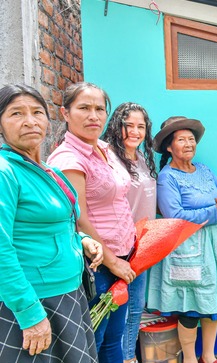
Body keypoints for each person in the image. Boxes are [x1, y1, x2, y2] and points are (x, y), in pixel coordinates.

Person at [0, 84, 103, 362]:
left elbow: (59, 224)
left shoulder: (49, 170)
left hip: (67, 291)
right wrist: (30, 314)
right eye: (16, 113)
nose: (29, 121)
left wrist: (82, 241)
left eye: (37, 112)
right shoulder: (5, 172)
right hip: (34, 299)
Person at [47, 82, 138, 363]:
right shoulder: (68, 158)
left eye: (99, 109)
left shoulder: (104, 148)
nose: (93, 116)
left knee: (114, 339)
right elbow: (78, 218)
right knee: (94, 342)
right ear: (65, 112)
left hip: (124, 256)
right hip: (98, 264)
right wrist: (113, 262)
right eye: (84, 108)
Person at [148, 116, 217, 363]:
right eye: (182, 139)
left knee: (213, 303)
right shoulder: (167, 177)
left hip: (215, 244)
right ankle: (190, 359)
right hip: (187, 247)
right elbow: (174, 215)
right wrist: (215, 210)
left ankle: (209, 357)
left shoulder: (203, 170)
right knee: (189, 307)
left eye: (192, 139)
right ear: (169, 147)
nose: (189, 144)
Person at [102, 102, 157, 363]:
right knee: (118, 308)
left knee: (136, 307)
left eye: (141, 126)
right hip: (118, 246)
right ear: (116, 126)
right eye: (129, 125)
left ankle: (128, 357)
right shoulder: (109, 158)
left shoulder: (144, 159)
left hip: (143, 244)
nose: (135, 131)